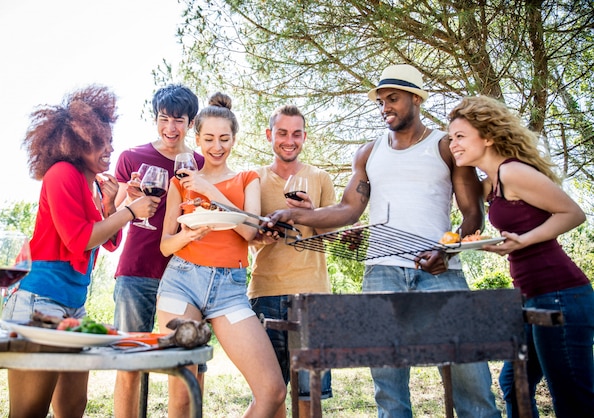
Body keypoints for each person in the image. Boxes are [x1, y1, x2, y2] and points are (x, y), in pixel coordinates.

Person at [266, 64, 501, 418]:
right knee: (389, 392)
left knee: (471, 380)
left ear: (416, 99)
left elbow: (472, 215)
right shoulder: (368, 152)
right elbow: (348, 210)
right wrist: (295, 215)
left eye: (393, 99)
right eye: (380, 101)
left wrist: (446, 250)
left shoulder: (446, 147)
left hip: (440, 272)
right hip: (382, 275)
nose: (385, 107)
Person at [2, 85, 158, 418]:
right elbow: (78, 240)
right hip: (37, 301)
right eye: (99, 141)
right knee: (29, 411)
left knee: (73, 407)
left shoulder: (91, 185)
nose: (109, 148)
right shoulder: (61, 174)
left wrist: (112, 204)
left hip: (73, 305)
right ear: (76, 141)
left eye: (110, 140)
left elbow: (109, 242)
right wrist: (129, 212)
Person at [447, 95, 594, 418]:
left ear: (487, 137)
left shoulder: (512, 172)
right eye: (450, 137)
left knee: (573, 399)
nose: (452, 144)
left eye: (460, 136)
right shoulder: (492, 182)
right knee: (515, 385)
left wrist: (521, 241)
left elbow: (572, 213)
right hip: (531, 297)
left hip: (560, 295)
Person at [157, 92, 286, 418]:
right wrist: (185, 235)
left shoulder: (247, 179)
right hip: (181, 281)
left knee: (272, 390)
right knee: (184, 394)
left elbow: (247, 231)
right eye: (209, 138)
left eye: (224, 139)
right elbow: (165, 245)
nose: (217, 146)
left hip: (229, 289)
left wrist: (212, 192)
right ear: (196, 139)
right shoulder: (180, 183)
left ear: (234, 139)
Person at [112, 84, 204, 418]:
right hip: (135, 273)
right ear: (155, 118)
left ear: (190, 123)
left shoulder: (199, 162)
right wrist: (129, 200)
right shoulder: (131, 158)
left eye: (178, 120)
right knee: (129, 363)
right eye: (164, 119)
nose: (170, 128)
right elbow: (112, 217)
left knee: (184, 364)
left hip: (183, 276)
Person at [248, 105, 337, 417]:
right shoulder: (252, 179)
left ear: (304, 137)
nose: (289, 140)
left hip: (313, 296)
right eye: (282, 133)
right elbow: (245, 236)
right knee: (269, 396)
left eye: (296, 134)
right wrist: (261, 235)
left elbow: (331, 237)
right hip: (265, 293)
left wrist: (311, 213)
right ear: (270, 135)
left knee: (308, 396)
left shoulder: (321, 178)